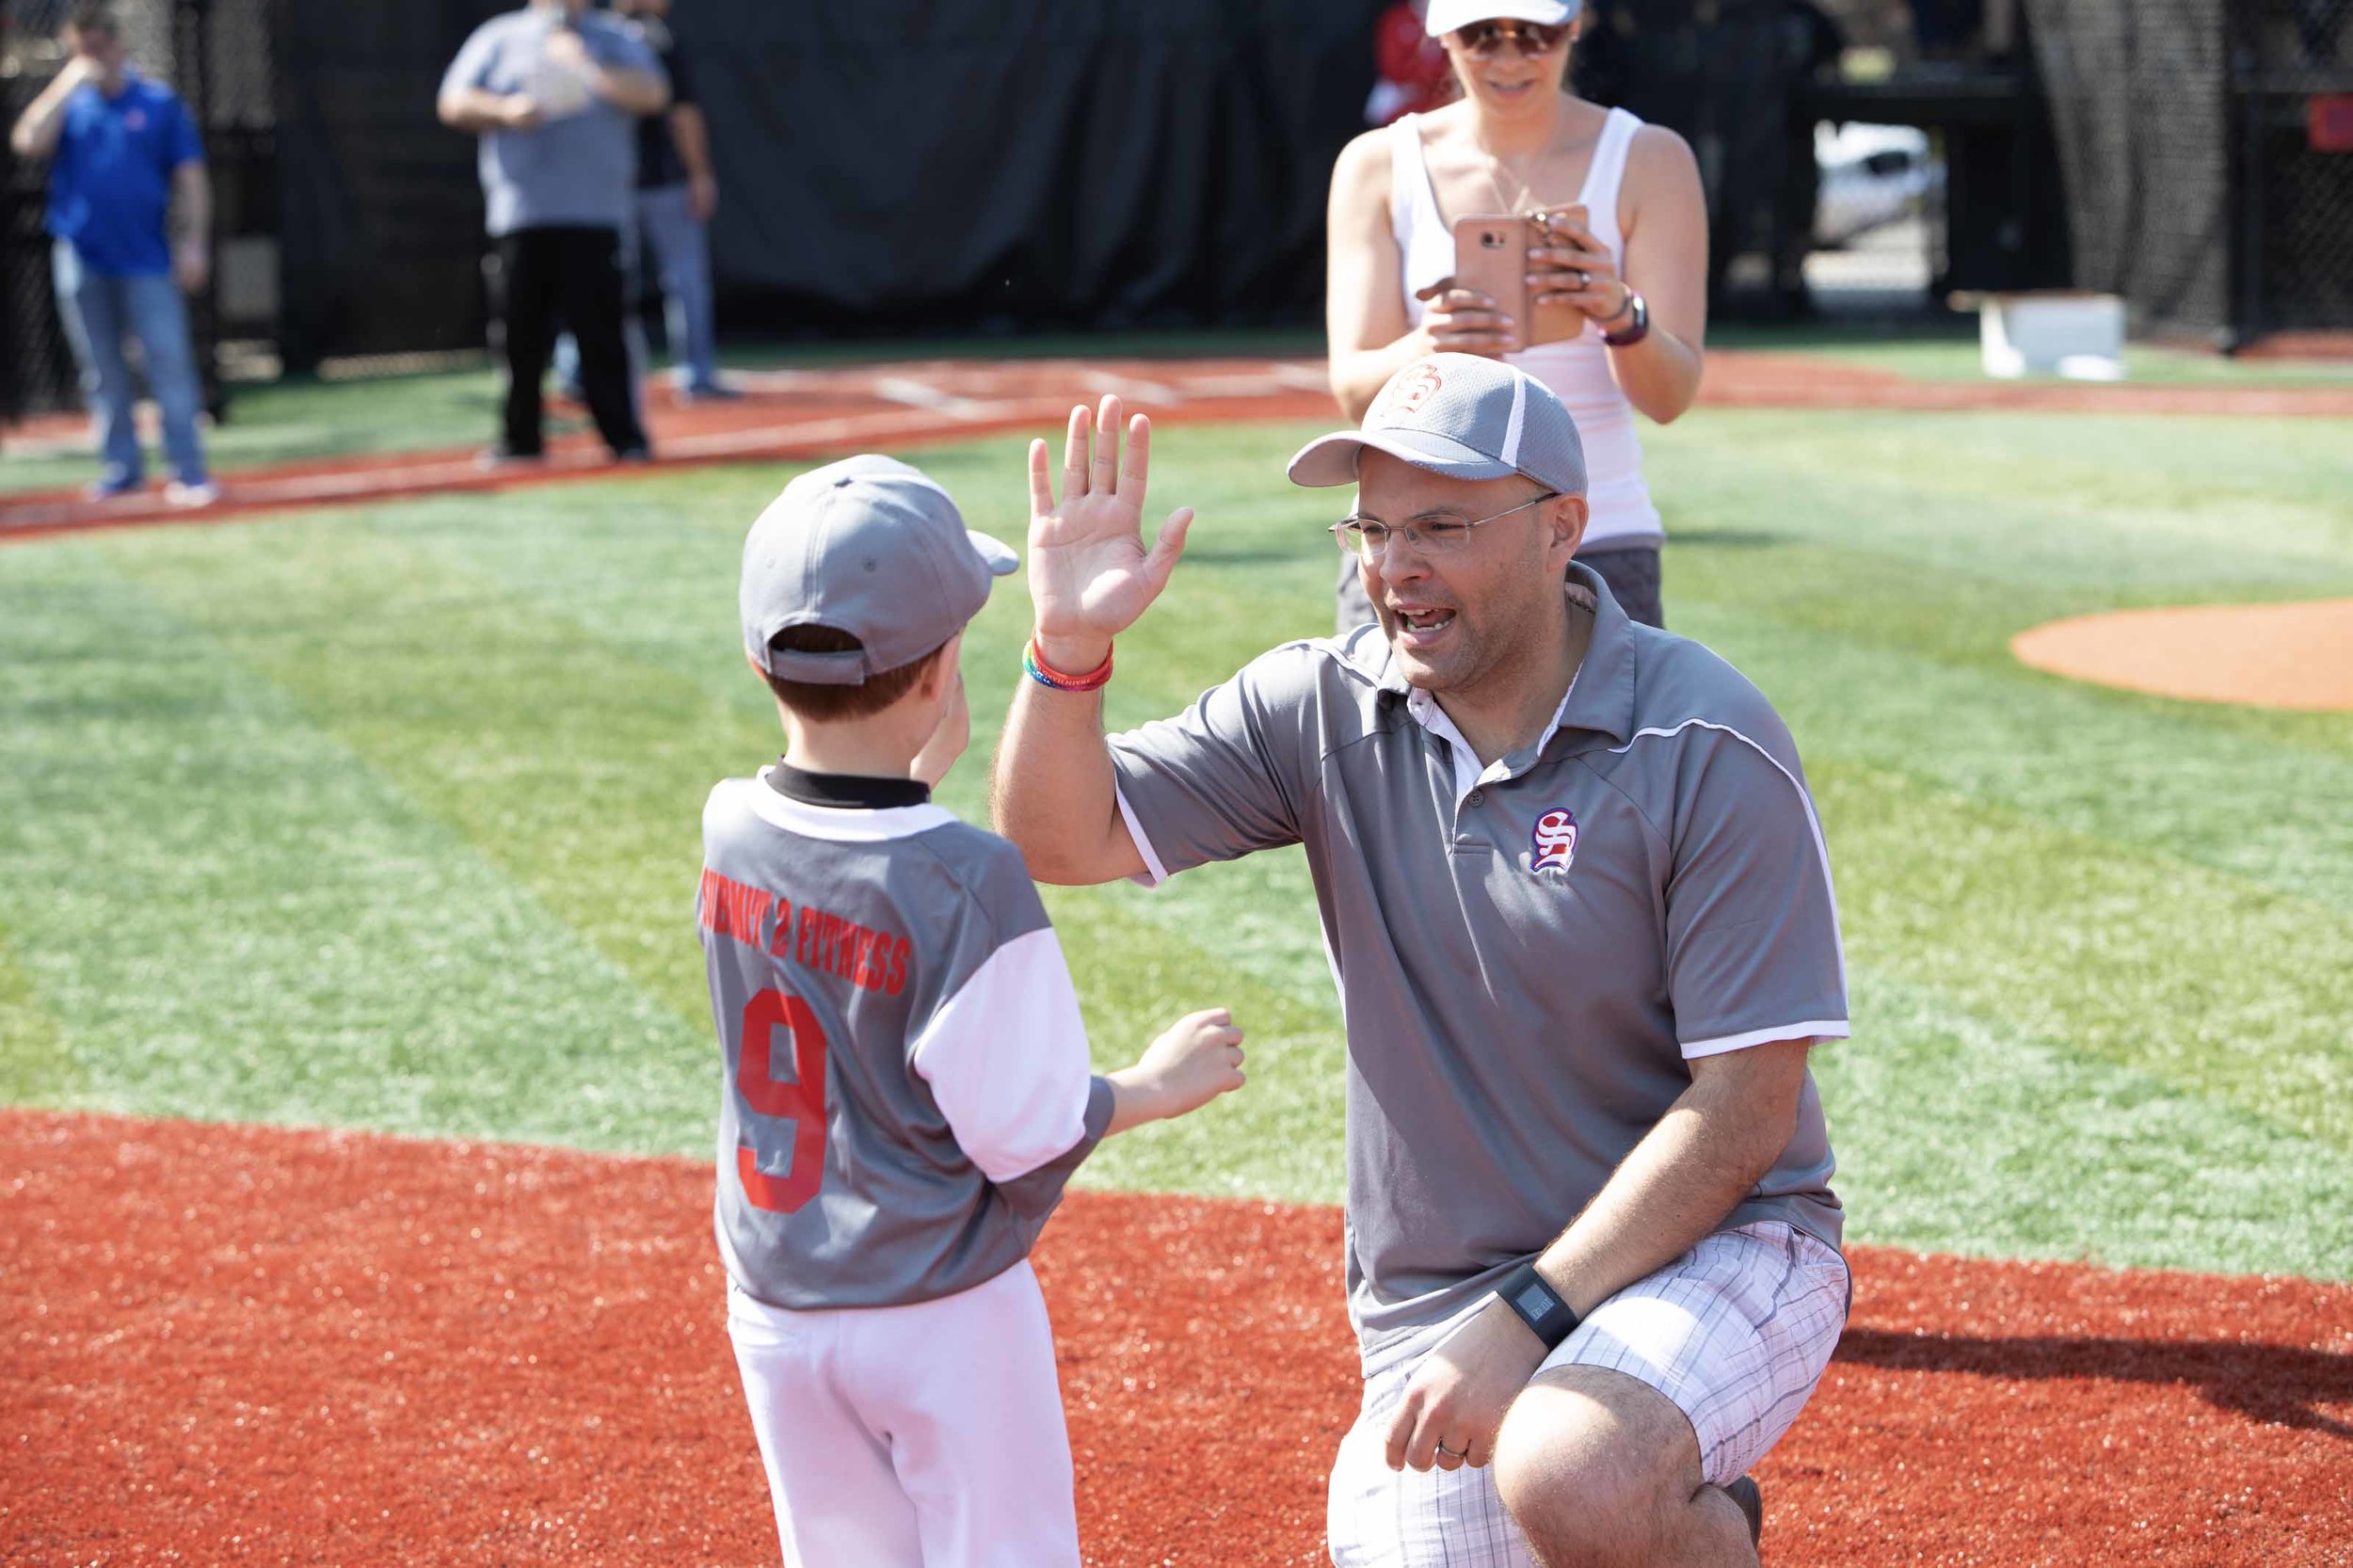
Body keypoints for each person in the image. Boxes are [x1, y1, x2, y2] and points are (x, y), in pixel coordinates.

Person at [992, 361, 1850, 1568]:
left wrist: (1529, 1318)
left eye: (1441, 526)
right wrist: (1066, 648)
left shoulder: (1701, 739)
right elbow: (1055, 837)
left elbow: (1745, 1111)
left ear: (1563, 526)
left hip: (1723, 1246)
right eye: (1374, 528)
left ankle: (1674, 1522)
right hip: (1439, 1300)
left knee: (1576, 1468)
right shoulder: (1318, 706)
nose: (1393, 567)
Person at [704, 453, 1248, 1567]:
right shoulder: (970, 881)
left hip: (776, 1304)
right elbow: (1022, 1129)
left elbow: (852, 854)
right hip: (939, 1312)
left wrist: (916, 779)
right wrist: (1152, 1084)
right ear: (938, 669)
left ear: (763, 662)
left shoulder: (728, 826)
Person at [1324, 0, 1707, 632]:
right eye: (1482, 35)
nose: (1509, 58)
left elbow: (1670, 397)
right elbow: (1353, 391)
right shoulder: (1378, 163)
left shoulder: (1648, 158)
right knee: (1397, 733)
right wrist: (1429, 345)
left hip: (1594, 531)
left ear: (1575, 26)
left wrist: (1619, 313)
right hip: (1414, 535)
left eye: (1535, 34)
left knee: (1596, 734)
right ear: (1441, 34)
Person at [437, 0, 668, 464]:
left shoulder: (615, 38)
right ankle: (520, 438)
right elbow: (453, 101)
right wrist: (505, 110)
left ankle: (624, 439)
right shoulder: (499, 36)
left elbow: (654, 93)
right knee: (521, 334)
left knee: (602, 331)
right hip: (522, 214)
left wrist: (584, 63)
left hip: (596, 214)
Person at [8, 4, 215, 505]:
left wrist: (194, 242)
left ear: (119, 45)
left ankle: (188, 471)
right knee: (101, 371)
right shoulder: (71, 105)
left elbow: (190, 177)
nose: (92, 59)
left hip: (146, 257)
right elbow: (27, 140)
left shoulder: (159, 103)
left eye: (98, 48)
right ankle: (122, 470)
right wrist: (65, 83)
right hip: (82, 256)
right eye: (81, 50)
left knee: (167, 362)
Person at [553, 0, 733, 407]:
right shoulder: (645, 36)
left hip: (609, 183)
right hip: (646, 181)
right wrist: (699, 172)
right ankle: (696, 377)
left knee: (599, 280)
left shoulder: (587, 35)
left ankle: (575, 372)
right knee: (673, 279)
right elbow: (682, 112)